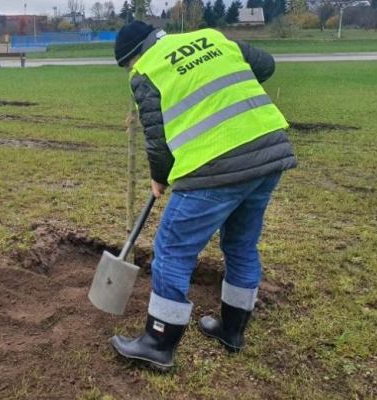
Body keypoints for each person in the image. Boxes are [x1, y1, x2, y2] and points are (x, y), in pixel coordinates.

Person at [109, 21, 297, 371]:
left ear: (136, 56)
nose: (131, 71)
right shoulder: (211, 38)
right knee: (241, 245)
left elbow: (157, 138)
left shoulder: (147, 70)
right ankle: (232, 330)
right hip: (268, 152)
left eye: (129, 65)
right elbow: (266, 65)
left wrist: (158, 178)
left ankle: (158, 343)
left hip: (215, 165)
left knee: (172, 250)